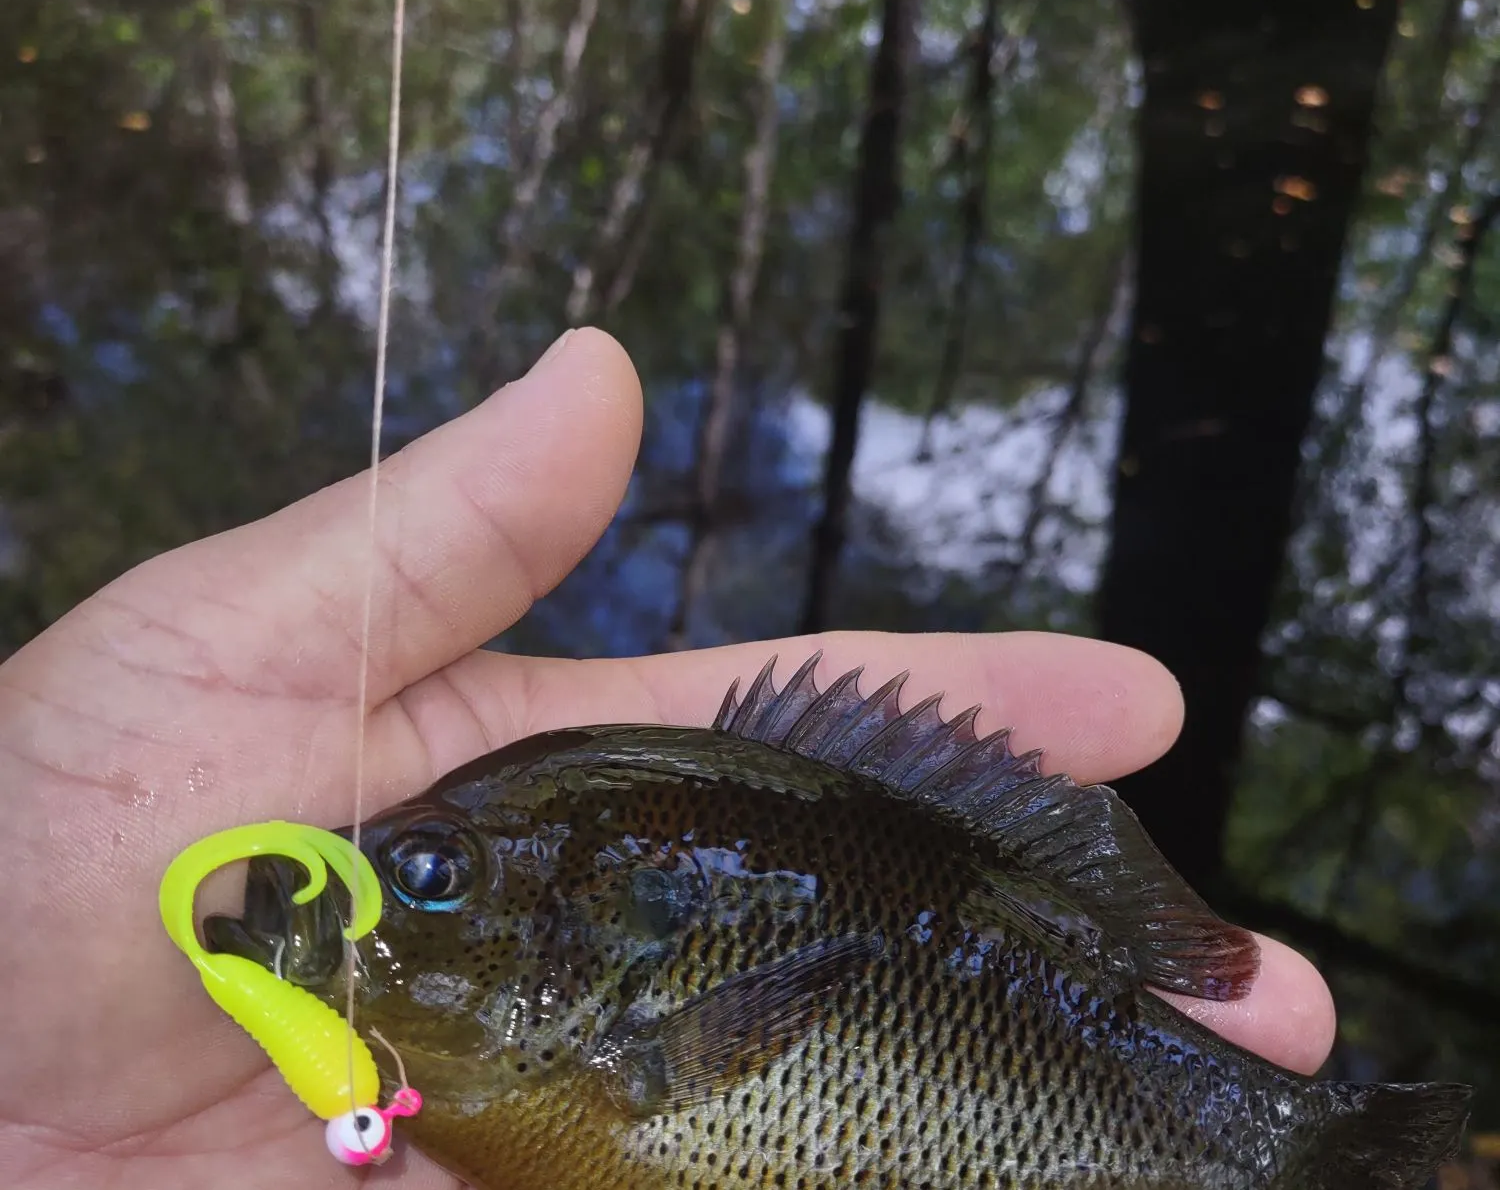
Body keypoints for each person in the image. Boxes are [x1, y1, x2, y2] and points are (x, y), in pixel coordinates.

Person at [0, 329, 1334, 1188]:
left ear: (598, 928)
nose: (355, 884)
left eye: (433, 871)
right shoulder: (486, 1058)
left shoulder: (600, 1044)